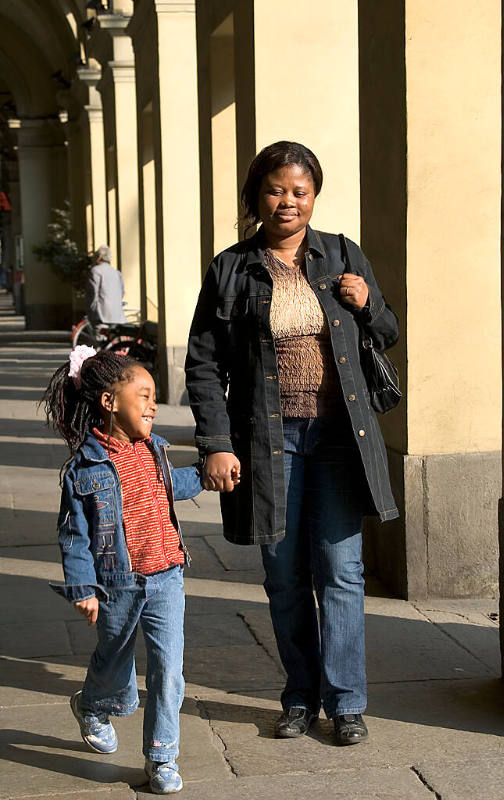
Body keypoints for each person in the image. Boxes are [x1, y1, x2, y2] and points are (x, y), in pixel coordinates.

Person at [186, 141, 399, 746]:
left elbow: (388, 331)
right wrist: (216, 443)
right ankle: (299, 697)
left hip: (338, 437)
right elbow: (203, 363)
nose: (288, 201)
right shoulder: (232, 267)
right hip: (266, 441)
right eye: (277, 189)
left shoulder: (341, 254)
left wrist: (366, 304)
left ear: (314, 197)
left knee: (341, 568)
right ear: (257, 195)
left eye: (299, 191)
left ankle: (347, 702)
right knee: (283, 575)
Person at [43, 346, 202, 794]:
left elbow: (174, 486)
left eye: (154, 397)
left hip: (168, 576)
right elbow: (74, 536)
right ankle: (92, 704)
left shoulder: (155, 450)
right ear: (109, 402)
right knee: (115, 665)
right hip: (118, 587)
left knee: (169, 670)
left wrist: (210, 475)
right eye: (145, 394)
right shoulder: (84, 469)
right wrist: (84, 587)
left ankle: (162, 757)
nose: (154, 404)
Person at [86, 245, 127, 327]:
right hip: (117, 316)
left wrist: (91, 313)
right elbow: (122, 292)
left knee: (101, 339)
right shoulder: (117, 273)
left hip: (101, 316)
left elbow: (92, 294)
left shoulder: (95, 271)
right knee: (114, 338)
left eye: (95, 256)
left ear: (99, 257)